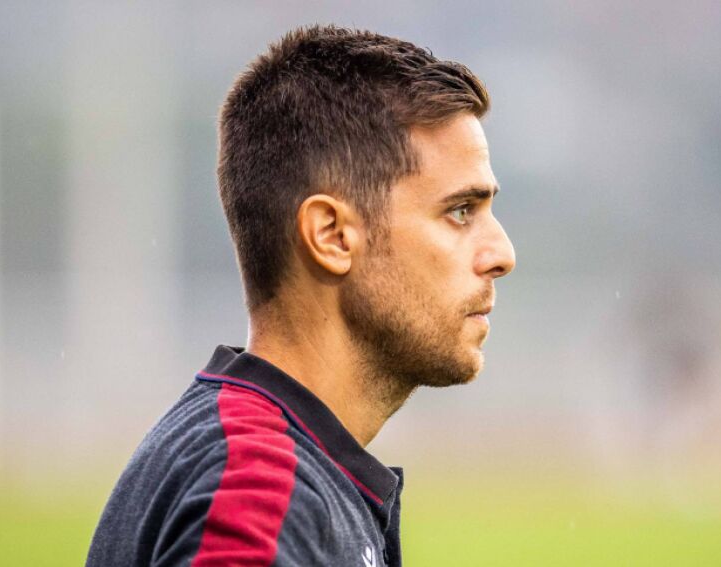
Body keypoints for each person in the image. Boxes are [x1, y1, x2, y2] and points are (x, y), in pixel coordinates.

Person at [86, 24, 515, 567]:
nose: (502, 254)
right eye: (460, 211)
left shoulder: (262, 459)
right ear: (331, 236)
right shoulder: (258, 495)